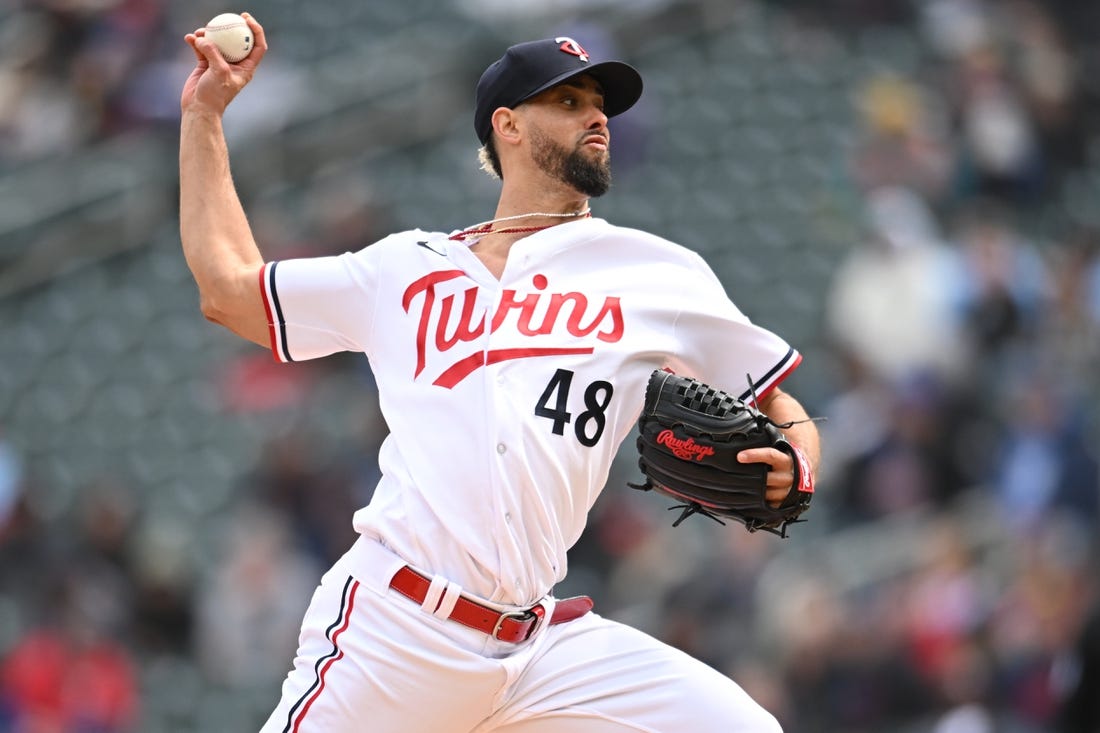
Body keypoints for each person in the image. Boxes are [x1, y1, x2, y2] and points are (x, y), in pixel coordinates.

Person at [179, 15, 821, 733]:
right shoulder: (403, 269)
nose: (598, 116)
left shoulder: (658, 273)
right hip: (397, 632)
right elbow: (229, 289)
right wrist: (204, 115)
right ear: (509, 126)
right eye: (570, 101)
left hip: (540, 650)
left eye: (600, 102)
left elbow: (777, 400)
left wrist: (797, 460)